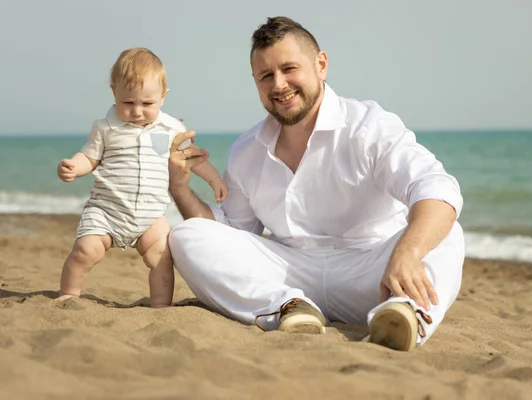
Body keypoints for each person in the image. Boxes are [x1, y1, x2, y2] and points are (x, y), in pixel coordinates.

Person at [167, 17, 465, 350]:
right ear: (255, 81)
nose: (279, 84)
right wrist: (180, 189)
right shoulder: (246, 149)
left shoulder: (368, 126)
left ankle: (403, 313)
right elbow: (232, 231)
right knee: (186, 236)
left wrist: (407, 254)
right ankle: (287, 309)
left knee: (447, 231)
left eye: (289, 69)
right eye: (266, 76)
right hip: (288, 275)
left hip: (372, 273)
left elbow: (436, 188)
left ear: (320, 65)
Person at [56, 47, 227, 307]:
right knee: (85, 251)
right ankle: (69, 295)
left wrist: (214, 180)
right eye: (128, 102)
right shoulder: (105, 129)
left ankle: (160, 305)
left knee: (162, 256)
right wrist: (73, 166)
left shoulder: (170, 129)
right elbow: (89, 158)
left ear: (163, 97)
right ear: (114, 92)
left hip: (150, 216)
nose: (137, 111)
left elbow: (191, 157)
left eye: (147, 104)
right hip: (107, 211)